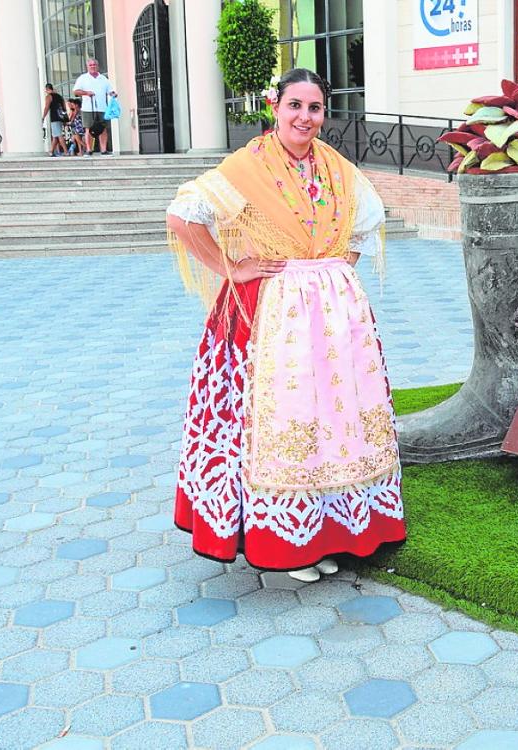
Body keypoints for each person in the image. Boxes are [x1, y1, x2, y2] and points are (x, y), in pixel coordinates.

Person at [166, 67, 403, 583]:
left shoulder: (337, 169)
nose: (305, 117)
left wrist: (332, 277)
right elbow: (183, 217)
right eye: (295, 105)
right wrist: (232, 267)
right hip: (268, 315)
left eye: (314, 108)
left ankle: (340, 527)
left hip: (331, 317)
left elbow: (366, 221)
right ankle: (286, 538)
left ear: (324, 113)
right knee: (285, 419)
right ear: (276, 107)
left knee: (334, 417)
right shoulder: (244, 167)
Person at [73, 58, 115, 155]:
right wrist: (86, 93)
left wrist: (113, 94)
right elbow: (76, 91)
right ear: (87, 67)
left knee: (103, 129)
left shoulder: (103, 78)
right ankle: (89, 149)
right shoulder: (83, 78)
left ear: (97, 66)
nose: (93, 66)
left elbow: (110, 90)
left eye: (94, 65)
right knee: (88, 128)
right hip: (88, 108)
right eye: (91, 65)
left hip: (102, 108)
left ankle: (103, 150)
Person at [42, 84, 68, 157]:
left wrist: (43, 116)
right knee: (55, 135)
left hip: (54, 117)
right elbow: (64, 107)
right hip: (61, 117)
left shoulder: (49, 96)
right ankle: (51, 151)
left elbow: (46, 107)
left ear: (47, 89)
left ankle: (66, 151)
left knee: (59, 135)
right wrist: (65, 118)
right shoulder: (59, 96)